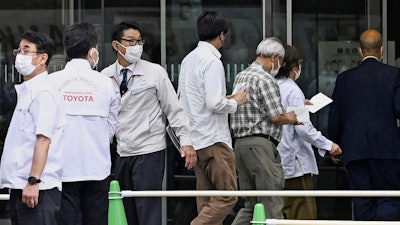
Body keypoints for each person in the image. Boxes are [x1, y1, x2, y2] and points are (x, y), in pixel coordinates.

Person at [101, 21, 197, 225]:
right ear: (116, 45)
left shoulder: (155, 72)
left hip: (149, 149)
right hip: (120, 150)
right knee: (125, 209)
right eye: (130, 41)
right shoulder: (105, 77)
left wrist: (186, 142)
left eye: (139, 41)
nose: (136, 46)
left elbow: (174, 109)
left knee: (148, 209)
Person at [48, 23, 119, 225]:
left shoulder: (52, 82)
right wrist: (94, 137)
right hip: (97, 167)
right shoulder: (105, 83)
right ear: (93, 51)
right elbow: (112, 125)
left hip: (62, 168)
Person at [328, 29, 400, 221]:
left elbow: (335, 117)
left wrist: (335, 145)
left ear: (360, 51)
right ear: (382, 49)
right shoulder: (394, 75)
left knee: (362, 199)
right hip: (388, 150)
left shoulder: (345, 79)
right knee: (389, 197)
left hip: (355, 150)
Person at [230, 37, 299, 224]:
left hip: (241, 145)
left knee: (250, 206)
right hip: (261, 146)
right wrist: (292, 117)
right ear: (275, 57)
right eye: (281, 62)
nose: (280, 66)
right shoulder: (265, 79)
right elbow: (276, 116)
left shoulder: (241, 75)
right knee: (271, 203)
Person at [0, 30, 65, 225]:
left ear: (42, 58)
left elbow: (43, 139)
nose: (20, 56)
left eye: (26, 51)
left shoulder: (43, 93)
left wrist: (33, 181)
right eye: (18, 50)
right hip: (22, 187)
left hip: (38, 190)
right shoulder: (27, 91)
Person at [275, 45, 342, 219]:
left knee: (281, 212)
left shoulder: (273, 86)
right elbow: (304, 129)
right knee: (303, 214)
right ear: (295, 66)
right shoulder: (293, 90)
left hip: (276, 159)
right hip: (295, 160)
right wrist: (328, 145)